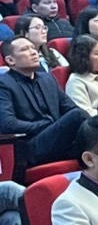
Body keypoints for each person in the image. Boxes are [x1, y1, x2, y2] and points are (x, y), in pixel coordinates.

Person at [0, 36, 88, 169]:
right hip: (31, 146)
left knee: (97, 135)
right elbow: (8, 124)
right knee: (78, 116)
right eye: (25, 49)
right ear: (10, 60)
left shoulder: (47, 78)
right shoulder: (4, 84)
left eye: (33, 48)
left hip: (58, 140)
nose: (33, 52)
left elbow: (70, 107)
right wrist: (47, 125)